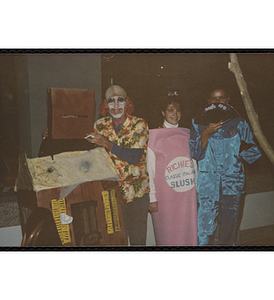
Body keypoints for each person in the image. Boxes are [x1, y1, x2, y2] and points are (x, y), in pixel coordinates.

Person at [189, 88, 262, 246]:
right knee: (204, 231)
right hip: (207, 184)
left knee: (229, 231)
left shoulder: (239, 122)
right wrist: (206, 133)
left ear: (228, 100)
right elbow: (194, 153)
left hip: (232, 184)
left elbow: (255, 152)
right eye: (213, 98)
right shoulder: (197, 122)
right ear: (208, 101)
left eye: (221, 98)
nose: (217, 102)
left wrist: (239, 151)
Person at [85, 85, 150, 246]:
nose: (115, 106)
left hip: (135, 195)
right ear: (105, 105)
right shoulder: (99, 125)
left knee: (137, 242)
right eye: (111, 101)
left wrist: (106, 143)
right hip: (109, 195)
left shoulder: (139, 124)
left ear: (127, 103)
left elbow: (135, 157)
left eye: (120, 101)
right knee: (114, 242)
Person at [146, 94, 198, 246]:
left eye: (178, 110)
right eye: (170, 110)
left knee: (188, 231)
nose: (175, 114)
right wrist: (152, 197)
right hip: (165, 197)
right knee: (167, 234)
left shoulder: (188, 134)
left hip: (187, 194)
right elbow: (150, 170)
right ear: (163, 112)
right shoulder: (154, 137)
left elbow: (194, 165)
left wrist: (197, 189)